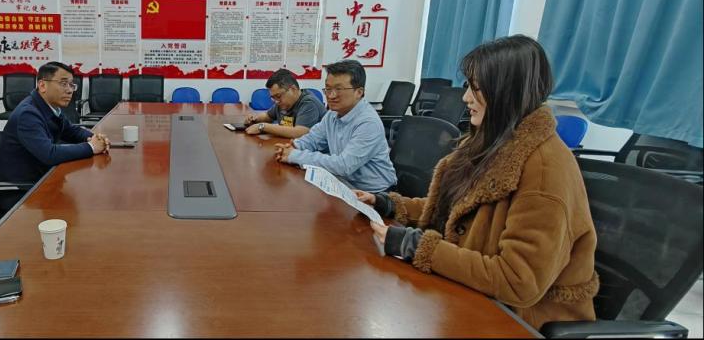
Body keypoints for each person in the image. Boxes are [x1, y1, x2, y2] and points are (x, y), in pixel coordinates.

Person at [355, 35, 598, 330]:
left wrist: (416, 246)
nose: (466, 98)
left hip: (516, 319)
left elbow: (518, 281)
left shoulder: (546, 170)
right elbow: (455, 210)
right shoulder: (490, 142)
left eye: (476, 88)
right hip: (467, 294)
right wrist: (388, 204)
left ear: (507, 92)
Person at [273, 60, 396, 193]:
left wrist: (294, 156)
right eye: (328, 89)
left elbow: (343, 166)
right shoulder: (333, 114)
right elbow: (313, 138)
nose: (331, 96)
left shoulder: (368, 123)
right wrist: (294, 146)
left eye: (339, 89)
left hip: (374, 193)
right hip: (344, 183)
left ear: (359, 92)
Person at [0, 62, 110, 191]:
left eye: (71, 85)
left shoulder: (49, 107)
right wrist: (91, 147)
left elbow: (70, 131)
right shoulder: (28, 114)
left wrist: (95, 137)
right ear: (42, 85)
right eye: (63, 83)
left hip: (43, 177)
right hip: (24, 190)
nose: (69, 90)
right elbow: (49, 154)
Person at [243, 69, 324, 139]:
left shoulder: (309, 103)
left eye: (278, 96)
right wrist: (254, 118)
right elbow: (268, 116)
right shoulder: (282, 102)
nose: (276, 101)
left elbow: (299, 133)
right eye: (273, 97)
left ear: (293, 89)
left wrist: (262, 126)